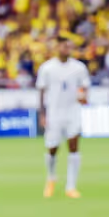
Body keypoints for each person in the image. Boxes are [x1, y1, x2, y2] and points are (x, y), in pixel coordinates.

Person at [37, 37, 90, 198]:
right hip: (54, 112)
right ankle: (51, 177)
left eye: (68, 46)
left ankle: (71, 186)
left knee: (73, 146)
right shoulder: (47, 68)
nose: (65, 49)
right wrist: (42, 113)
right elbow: (41, 90)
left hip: (73, 111)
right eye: (63, 46)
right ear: (57, 48)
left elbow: (84, 87)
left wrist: (83, 97)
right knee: (52, 148)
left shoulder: (79, 67)